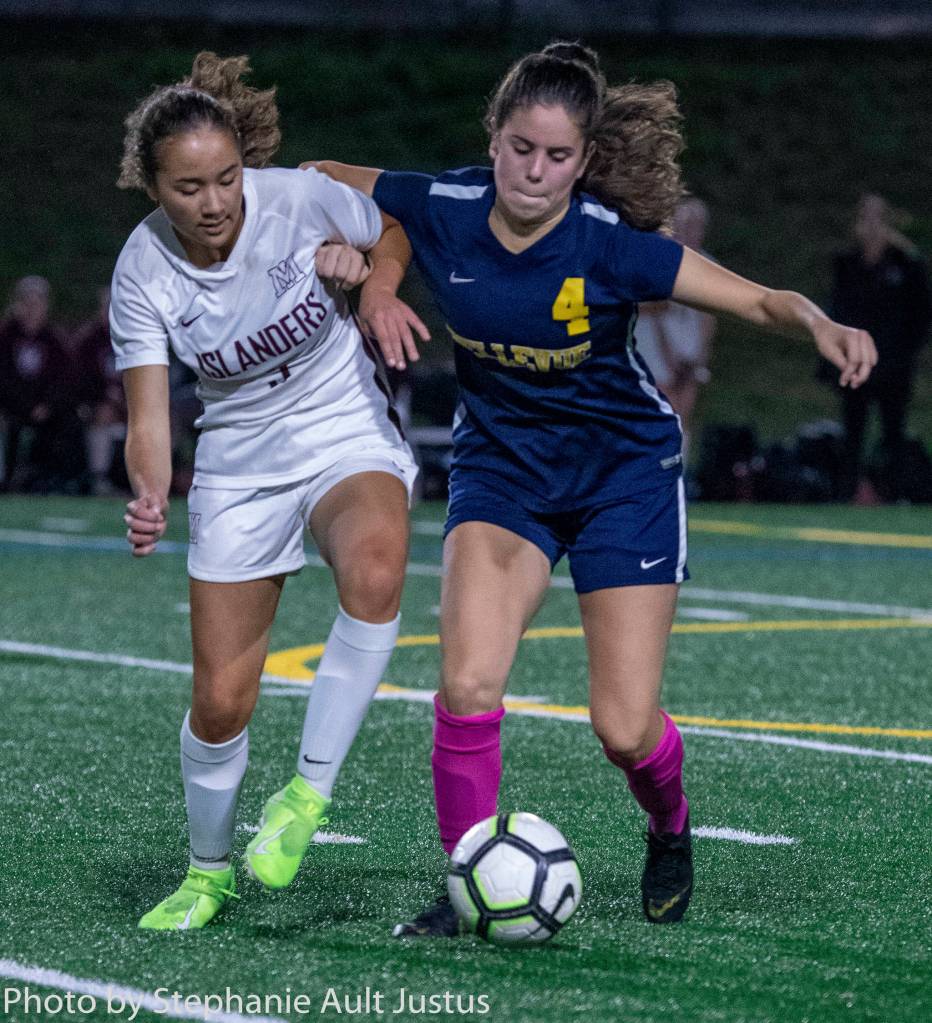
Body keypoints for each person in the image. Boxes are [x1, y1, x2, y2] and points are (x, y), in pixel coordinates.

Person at [309, 42, 877, 934]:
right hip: (504, 476)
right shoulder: (449, 203)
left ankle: (670, 824)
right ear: (493, 140)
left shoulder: (610, 246)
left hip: (623, 479)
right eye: (521, 149)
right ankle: (467, 886)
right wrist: (377, 277)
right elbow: (322, 180)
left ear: (586, 161)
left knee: (621, 725)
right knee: (466, 684)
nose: (536, 172)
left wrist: (821, 321)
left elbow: (760, 299)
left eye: (559, 156)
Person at [110, 51, 425, 930]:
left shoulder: (296, 196)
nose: (215, 203)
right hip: (239, 454)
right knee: (220, 701)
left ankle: (306, 798)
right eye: (188, 188)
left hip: (338, 420)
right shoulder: (143, 271)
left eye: (225, 177)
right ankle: (207, 872)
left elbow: (394, 226)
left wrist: (376, 286)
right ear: (152, 187)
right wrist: (149, 489)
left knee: (374, 569)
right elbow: (148, 413)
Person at [828, 193, 931, 500]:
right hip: (856, 361)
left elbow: (921, 313)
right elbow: (837, 309)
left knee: (893, 431)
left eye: (878, 217)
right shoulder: (848, 262)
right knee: (853, 429)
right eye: (866, 217)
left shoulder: (905, 263)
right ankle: (848, 492)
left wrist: (906, 352)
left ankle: (894, 491)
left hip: (893, 364)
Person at [636, 198, 716, 459]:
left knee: (684, 412)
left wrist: (701, 354)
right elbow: (652, 309)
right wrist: (667, 353)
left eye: (696, 225)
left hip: (687, 349)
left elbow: (708, 315)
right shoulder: (659, 261)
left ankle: (680, 475)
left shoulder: (707, 265)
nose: (691, 231)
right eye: (685, 224)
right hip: (656, 349)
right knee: (662, 409)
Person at [0, 276, 70, 491]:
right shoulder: (5, 336)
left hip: (45, 408)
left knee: (68, 422)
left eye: (37, 302)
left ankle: (55, 479)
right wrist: (21, 404)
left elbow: (64, 379)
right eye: (27, 302)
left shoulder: (54, 339)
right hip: (11, 405)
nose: (32, 308)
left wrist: (47, 404)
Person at [71, 286, 127, 494]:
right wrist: (104, 399)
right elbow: (79, 381)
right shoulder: (88, 341)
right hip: (97, 406)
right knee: (103, 416)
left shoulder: (134, 337)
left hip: (129, 404)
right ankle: (99, 478)